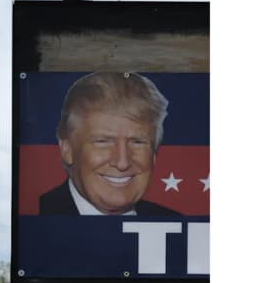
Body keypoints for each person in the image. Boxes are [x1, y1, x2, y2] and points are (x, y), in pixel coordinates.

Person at [39, 71, 183, 217]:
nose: (122, 163)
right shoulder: (31, 216)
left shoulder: (176, 226)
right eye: (103, 142)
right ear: (67, 149)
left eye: (137, 142)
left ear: (154, 153)